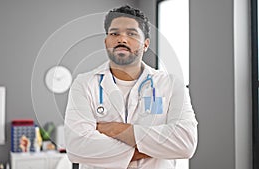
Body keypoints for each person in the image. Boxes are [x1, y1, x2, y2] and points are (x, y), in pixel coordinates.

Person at [64, 5, 198, 169]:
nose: (122, 39)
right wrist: (156, 146)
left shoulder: (170, 84)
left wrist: (114, 129)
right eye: (114, 33)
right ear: (106, 41)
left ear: (146, 44)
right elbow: (76, 147)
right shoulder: (84, 84)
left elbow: (185, 142)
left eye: (131, 34)